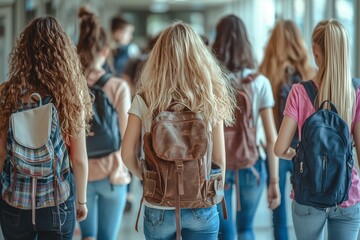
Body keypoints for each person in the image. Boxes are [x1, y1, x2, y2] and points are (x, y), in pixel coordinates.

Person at [121, 21, 235, 240]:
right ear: (199, 57)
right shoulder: (211, 98)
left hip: (159, 206)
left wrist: (148, 179)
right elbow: (219, 160)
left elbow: (127, 154)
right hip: (201, 203)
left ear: (159, 57)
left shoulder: (145, 98)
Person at [0, 16, 90, 239]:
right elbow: (78, 159)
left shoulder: (6, 93)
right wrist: (82, 200)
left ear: (23, 52)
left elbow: (1, 153)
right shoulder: (69, 96)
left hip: (15, 202)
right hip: (57, 201)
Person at [274, 19, 360, 240]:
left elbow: (279, 148)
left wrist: (299, 154)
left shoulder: (299, 92)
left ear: (315, 50)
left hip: (308, 195)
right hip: (347, 194)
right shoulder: (356, 92)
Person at [211, 14, 280, 240]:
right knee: (246, 229)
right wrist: (274, 181)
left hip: (217, 167)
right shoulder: (260, 82)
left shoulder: (212, 81)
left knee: (226, 234)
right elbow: (272, 138)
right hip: (251, 166)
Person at [77, 8, 131, 240]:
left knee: (88, 237)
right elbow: (126, 134)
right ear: (106, 50)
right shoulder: (118, 86)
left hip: (81, 175)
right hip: (113, 174)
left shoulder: (71, 86)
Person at [259, 19, 314, 240]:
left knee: (278, 213)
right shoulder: (309, 73)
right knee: (310, 209)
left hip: (278, 149)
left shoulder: (268, 74)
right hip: (307, 148)